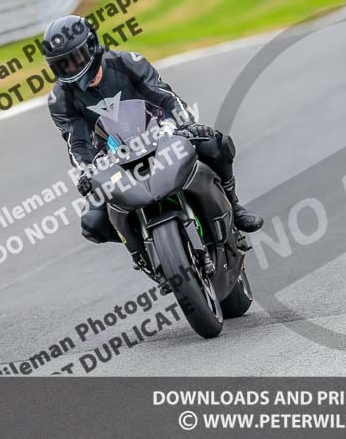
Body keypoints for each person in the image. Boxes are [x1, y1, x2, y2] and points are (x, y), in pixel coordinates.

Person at [43, 15, 263, 263]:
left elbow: (166, 97)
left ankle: (234, 205)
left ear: (92, 46)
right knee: (92, 222)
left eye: (75, 60)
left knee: (215, 144)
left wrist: (186, 125)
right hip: (112, 159)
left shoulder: (127, 62)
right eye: (62, 65)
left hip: (160, 135)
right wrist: (86, 171)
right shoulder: (60, 98)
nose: (70, 69)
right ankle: (141, 253)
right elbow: (76, 142)